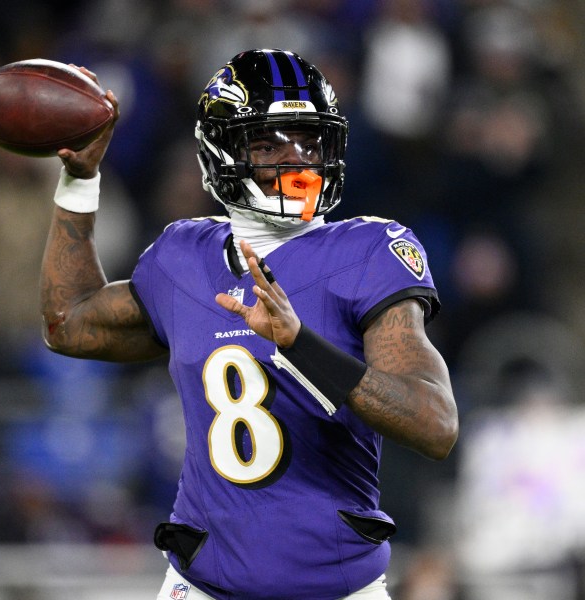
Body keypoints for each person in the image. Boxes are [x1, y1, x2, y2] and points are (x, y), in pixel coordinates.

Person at [39, 49, 458, 600]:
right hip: (202, 583)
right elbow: (68, 323)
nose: (296, 159)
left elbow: (435, 425)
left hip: (337, 586)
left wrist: (299, 344)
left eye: (309, 140)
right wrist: (79, 181)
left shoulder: (367, 249)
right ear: (222, 152)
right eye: (269, 143)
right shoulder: (182, 257)